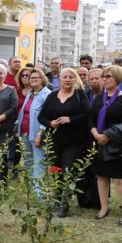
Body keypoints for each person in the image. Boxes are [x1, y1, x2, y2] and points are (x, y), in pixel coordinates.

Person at [89, 65, 122, 227]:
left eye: (108, 77)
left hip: (117, 144)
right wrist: (96, 134)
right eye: (103, 77)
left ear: (117, 79)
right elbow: (90, 119)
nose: (104, 79)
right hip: (99, 143)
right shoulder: (99, 98)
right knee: (101, 176)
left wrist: (109, 135)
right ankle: (104, 208)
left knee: (119, 179)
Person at [39, 68, 91, 217]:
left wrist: (71, 119)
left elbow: (88, 113)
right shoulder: (52, 96)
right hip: (54, 140)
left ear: (75, 80)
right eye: (64, 77)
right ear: (60, 80)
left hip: (74, 141)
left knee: (68, 170)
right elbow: (41, 116)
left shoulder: (79, 95)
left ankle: (65, 203)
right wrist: (50, 123)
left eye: (71, 77)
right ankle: (56, 199)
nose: (67, 80)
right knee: (56, 170)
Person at [16, 69, 52, 182]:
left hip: (37, 135)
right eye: (32, 78)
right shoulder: (31, 93)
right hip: (25, 133)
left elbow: (48, 116)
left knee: (38, 165)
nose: (34, 80)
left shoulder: (47, 94)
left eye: (37, 77)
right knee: (28, 163)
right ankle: (31, 192)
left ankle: (39, 196)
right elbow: (24, 112)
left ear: (42, 79)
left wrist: (40, 134)